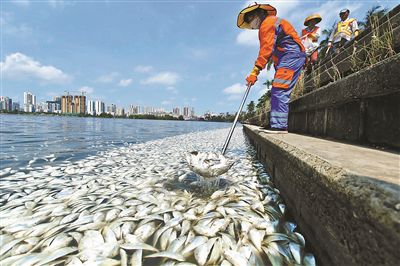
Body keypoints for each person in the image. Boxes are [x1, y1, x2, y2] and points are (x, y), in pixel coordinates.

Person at [237, 3, 306, 133]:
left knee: (279, 90)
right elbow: (272, 51)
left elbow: (265, 50)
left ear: (260, 14)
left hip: (291, 56)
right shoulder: (270, 23)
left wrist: (255, 71)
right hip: (289, 58)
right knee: (277, 90)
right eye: (248, 21)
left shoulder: (267, 24)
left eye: (250, 18)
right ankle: (276, 123)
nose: (251, 23)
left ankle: (279, 126)